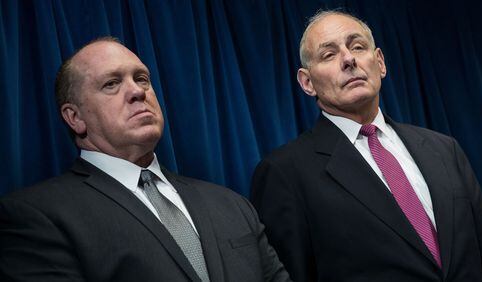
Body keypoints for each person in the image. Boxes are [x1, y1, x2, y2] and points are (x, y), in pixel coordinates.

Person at [0, 37, 290, 282]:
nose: (138, 91)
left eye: (141, 79)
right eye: (111, 83)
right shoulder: (36, 216)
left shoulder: (232, 204)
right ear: (75, 117)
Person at [251, 10, 482, 282]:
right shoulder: (283, 173)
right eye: (329, 55)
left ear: (380, 62)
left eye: (357, 46)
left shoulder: (444, 149)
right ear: (307, 82)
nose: (348, 59)